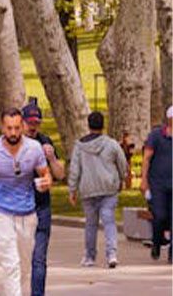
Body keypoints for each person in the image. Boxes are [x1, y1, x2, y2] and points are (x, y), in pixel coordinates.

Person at [0, 108, 51, 296]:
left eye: (16, 128)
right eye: (9, 128)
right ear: (2, 127)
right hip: (1, 214)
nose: (13, 133)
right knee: (11, 266)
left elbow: (45, 174)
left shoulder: (34, 148)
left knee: (24, 267)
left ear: (22, 126)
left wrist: (47, 181)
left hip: (28, 215)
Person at [67, 111, 127, 268]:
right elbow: (122, 163)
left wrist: (72, 189)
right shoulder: (111, 144)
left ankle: (89, 255)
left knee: (91, 224)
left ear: (88, 125)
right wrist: (122, 178)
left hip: (88, 189)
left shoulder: (80, 146)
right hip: (108, 188)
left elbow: (75, 169)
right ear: (103, 125)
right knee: (109, 221)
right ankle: (111, 254)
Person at [21, 103, 65, 295]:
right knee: (20, 259)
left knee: (39, 258)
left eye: (36, 122)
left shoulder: (45, 141)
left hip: (41, 207)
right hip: (19, 208)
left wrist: (53, 158)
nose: (33, 126)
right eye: (30, 122)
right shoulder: (14, 143)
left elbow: (60, 175)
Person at [141, 105, 173, 262]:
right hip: (158, 184)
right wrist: (144, 180)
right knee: (159, 216)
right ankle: (156, 242)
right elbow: (146, 158)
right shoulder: (156, 135)